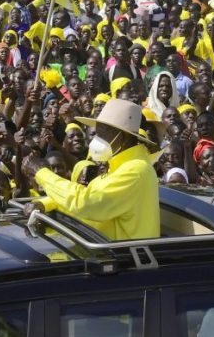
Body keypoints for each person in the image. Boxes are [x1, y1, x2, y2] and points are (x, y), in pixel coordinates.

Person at [23, 99, 160, 241]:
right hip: (108, 253)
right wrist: (46, 203)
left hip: (128, 259)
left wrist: (40, 171)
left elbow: (85, 202)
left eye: (102, 133)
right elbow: (88, 199)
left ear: (123, 137)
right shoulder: (118, 165)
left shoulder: (135, 170)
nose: (96, 139)